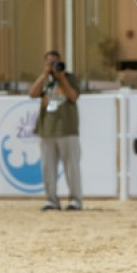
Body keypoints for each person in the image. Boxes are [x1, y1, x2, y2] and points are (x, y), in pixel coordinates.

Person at [27, 50, 83, 211]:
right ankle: (51, 199)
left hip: (67, 129)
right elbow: (32, 93)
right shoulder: (44, 80)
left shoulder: (70, 78)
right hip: (47, 129)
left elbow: (73, 96)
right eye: (49, 63)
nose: (53, 66)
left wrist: (62, 78)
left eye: (55, 62)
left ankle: (75, 200)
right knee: (48, 168)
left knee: (72, 167)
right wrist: (45, 75)